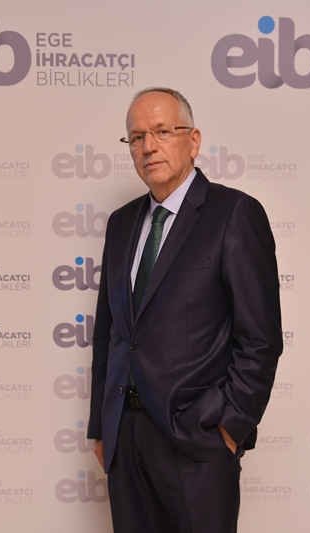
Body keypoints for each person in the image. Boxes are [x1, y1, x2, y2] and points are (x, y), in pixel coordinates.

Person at [87, 87, 283, 533]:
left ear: (193, 141)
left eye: (162, 131)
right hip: (124, 436)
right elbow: (110, 332)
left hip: (196, 438)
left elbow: (261, 339)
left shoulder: (234, 213)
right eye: (137, 137)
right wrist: (102, 424)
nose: (148, 147)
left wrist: (228, 426)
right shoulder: (121, 223)